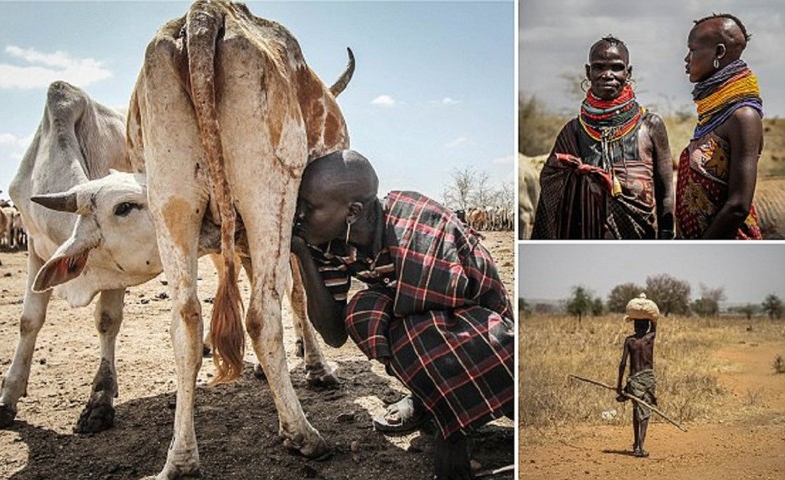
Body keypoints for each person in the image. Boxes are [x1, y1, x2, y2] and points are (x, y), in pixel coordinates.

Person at [290, 150, 514, 480]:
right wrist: (301, 254)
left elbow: (445, 329)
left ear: (352, 212)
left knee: (420, 337)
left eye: (309, 208)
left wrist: (449, 440)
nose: (299, 215)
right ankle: (430, 399)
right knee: (363, 313)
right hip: (433, 328)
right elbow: (334, 335)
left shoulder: (419, 226)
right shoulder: (328, 242)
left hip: (489, 336)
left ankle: (451, 422)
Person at [531, 36, 674, 239]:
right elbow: (551, 182)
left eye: (616, 67)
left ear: (628, 72)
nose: (608, 75)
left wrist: (667, 235)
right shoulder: (572, 131)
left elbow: (665, 192)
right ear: (588, 72)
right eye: (599, 67)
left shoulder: (651, 126)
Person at [677, 14, 764, 239]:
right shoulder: (715, 113)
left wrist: (700, 248)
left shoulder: (743, 117)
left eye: (692, 50)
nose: (686, 59)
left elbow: (738, 206)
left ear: (719, 53)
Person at [616, 293, 659, 458]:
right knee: (645, 411)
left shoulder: (629, 341)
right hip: (647, 379)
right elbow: (655, 321)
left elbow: (622, 364)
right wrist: (646, 306)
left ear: (634, 325)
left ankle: (636, 445)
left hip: (634, 380)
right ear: (647, 325)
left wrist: (620, 386)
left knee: (636, 411)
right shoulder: (651, 337)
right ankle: (640, 444)